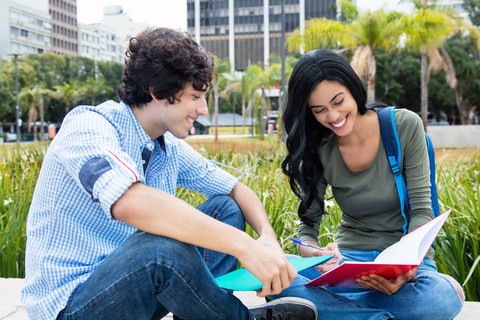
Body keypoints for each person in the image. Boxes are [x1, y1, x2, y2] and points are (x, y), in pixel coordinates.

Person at [20, 28, 318, 320]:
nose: (203, 109)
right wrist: (244, 246)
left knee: (225, 208)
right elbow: (129, 202)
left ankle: (206, 313)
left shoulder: (165, 144)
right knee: (161, 250)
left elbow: (236, 190)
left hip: (131, 287)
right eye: (195, 96)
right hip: (71, 306)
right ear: (157, 91)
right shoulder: (90, 129)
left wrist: (266, 239)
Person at [278, 49, 465, 320]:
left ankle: (341, 313)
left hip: (403, 261)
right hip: (349, 262)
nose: (333, 116)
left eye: (338, 101)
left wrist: (406, 267)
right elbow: (307, 230)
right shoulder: (319, 147)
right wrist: (316, 253)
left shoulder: (403, 126)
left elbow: (423, 210)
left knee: (439, 298)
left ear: (353, 89)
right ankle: (375, 316)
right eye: (319, 110)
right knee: (276, 279)